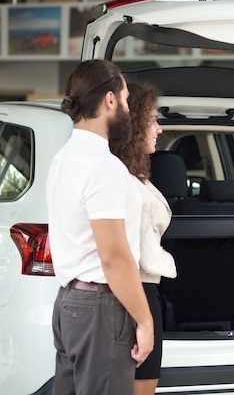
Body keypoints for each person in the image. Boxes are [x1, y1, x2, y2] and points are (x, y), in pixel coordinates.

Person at [46, 59, 154, 395]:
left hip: (68, 305)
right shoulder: (102, 166)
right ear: (109, 100)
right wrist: (146, 321)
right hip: (101, 310)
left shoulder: (62, 160)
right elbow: (114, 257)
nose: (126, 108)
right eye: (123, 100)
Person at [109, 81, 177, 395]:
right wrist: (143, 321)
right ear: (134, 124)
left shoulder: (133, 175)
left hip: (143, 291)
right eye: (153, 120)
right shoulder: (117, 178)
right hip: (132, 295)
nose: (159, 129)